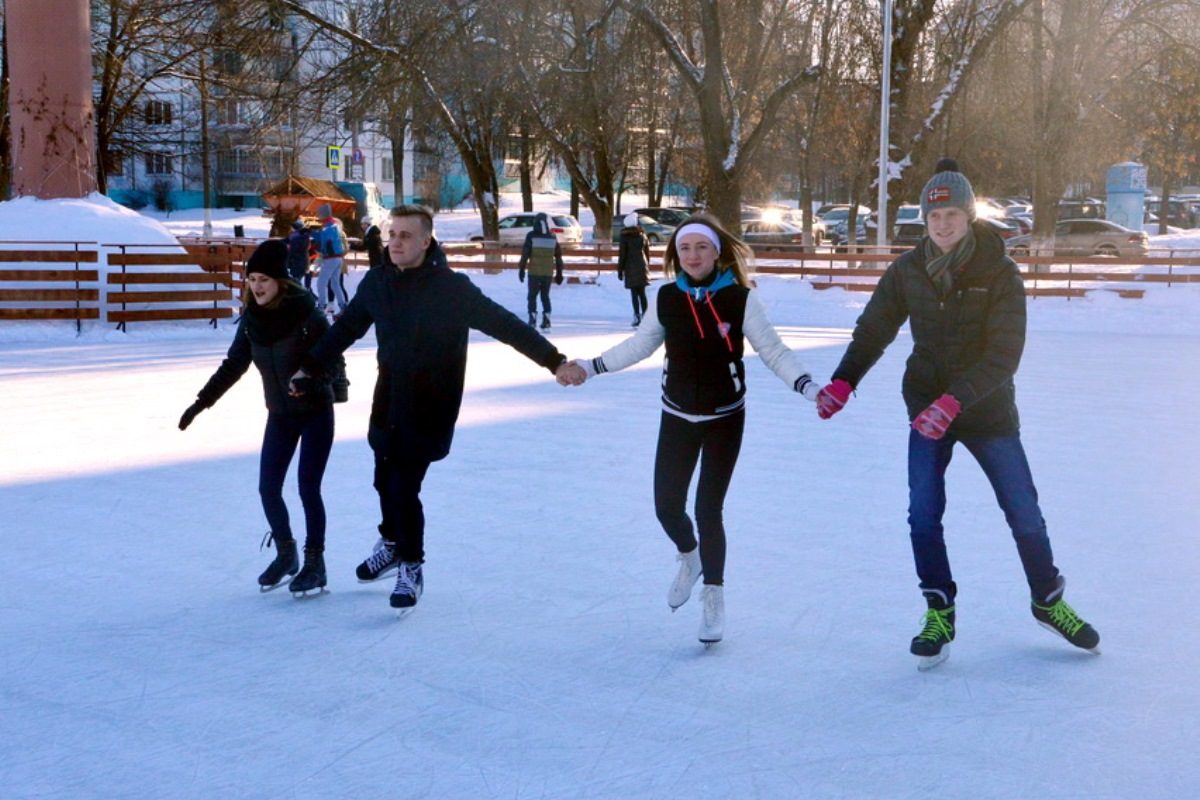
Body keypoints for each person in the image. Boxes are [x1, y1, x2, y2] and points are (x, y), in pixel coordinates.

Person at [814, 158, 1100, 670]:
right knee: (923, 514)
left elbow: (1004, 353)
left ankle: (1047, 601)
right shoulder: (909, 270)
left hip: (987, 411)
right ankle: (939, 609)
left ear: (970, 217)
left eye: (952, 216)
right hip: (926, 406)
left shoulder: (1000, 272)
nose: (942, 225)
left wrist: (956, 401)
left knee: (1024, 513)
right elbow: (874, 329)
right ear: (925, 221)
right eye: (933, 217)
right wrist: (843, 380)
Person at [290, 204, 575, 615]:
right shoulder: (377, 282)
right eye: (393, 235)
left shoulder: (451, 289)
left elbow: (506, 324)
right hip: (388, 398)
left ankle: (411, 564)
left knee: (404, 486)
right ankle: (390, 544)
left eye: (407, 236)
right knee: (382, 480)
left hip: (431, 405)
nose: (396, 242)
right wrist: (310, 367)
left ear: (426, 241)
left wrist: (554, 360)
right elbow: (345, 330)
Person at [557, 214, 821, 645]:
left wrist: (808, 387)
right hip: (677, 416)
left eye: (702, 247)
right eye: (685, 248)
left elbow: (772, 350)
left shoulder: (740, 299)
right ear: (674, 255)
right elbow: (639, 345)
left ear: (717, 251)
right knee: (666, 507)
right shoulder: (666, 298)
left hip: (724, 418)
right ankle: (689, 556)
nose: (693, 255)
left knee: (707, 509)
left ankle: (713, 595)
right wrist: (590, 367)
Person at [178, 239, 346, 597]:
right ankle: (287, 555)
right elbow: (233, 365)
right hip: (280, 414)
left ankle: (315, 563)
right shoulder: (252, 321)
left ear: (280, 282)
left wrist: (316, 382)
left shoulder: (306, 314)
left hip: (315, 411)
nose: (256, 286)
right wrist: (200, 402)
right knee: (268, 488)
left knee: (307, 488)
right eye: (252, 279)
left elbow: (333, 356)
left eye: (264, 280)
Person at [517, 212, 564, 329]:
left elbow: (525, 255)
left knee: (532, 296)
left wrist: (521, 269)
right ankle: (547, 319)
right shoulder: (553, 237)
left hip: (534, 272)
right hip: (547, 273)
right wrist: (559, 273)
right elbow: (558, 257)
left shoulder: (531, 236)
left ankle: (532, 318)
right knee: (545, 296)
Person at [312, 204, 349, 316]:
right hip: (338, 259)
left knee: (321, 283)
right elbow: (322, 236)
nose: (318, 217)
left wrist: (319, 247)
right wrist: (312, 233)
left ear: (323, 214)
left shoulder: (328, 227)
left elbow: (324, 240)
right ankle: (343, 306)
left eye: (319, 214)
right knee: (335, 284)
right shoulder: (333, 226)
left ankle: (321, 307)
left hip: (331, 259)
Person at [616, 212, 651, 327]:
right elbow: (647, 253)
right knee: (642, 293)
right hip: (642, 266)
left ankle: (637, 316)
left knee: (634, 293)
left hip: (630, 268)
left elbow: (623, 255)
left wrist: (620, 270)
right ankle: (645, 316)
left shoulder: (625, 237)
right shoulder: (642, 235)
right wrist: (647, 265)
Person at [285, 219, 313, 284]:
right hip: (301, 263)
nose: (291, 229)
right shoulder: (301, 236)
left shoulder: (297, 237)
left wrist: (287, 261)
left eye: (292, 227)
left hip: (297, 263)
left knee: (295, 283)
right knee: (296, 282)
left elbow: (293, 251)